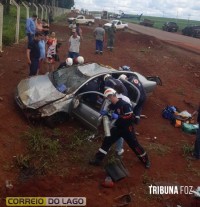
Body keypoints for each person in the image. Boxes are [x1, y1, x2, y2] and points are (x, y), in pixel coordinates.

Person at [89, 88, 150, 169]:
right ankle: (97, 160)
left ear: (111, 96)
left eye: (108, 98)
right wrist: (106, 114)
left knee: (135, 145)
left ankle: (146, 160)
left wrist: (119, 116)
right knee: (106, 142)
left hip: (127, 129)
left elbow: (130, 117)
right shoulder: (111, 106)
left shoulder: (124, 105)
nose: (108, 100)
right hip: (117, 128)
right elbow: (111, 115)